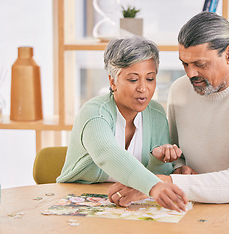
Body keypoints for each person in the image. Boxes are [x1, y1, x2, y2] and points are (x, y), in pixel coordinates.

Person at [109, 12, 229, 205]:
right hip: (199, 205)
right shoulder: (180, 89)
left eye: (200, 64)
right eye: (185, 63)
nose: (191, 74)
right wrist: (179, 168)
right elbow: (177, 153)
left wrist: (157, 183)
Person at [56, 36, 188, 212]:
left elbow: (161, 173)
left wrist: (158, 160)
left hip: (129, 204)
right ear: (113, 82)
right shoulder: (94, 113)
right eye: (133, 80)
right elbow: (108, 153)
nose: (143, 88)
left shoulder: (156, 113)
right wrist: (154, 185)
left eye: (150, 79)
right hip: (76, 201)